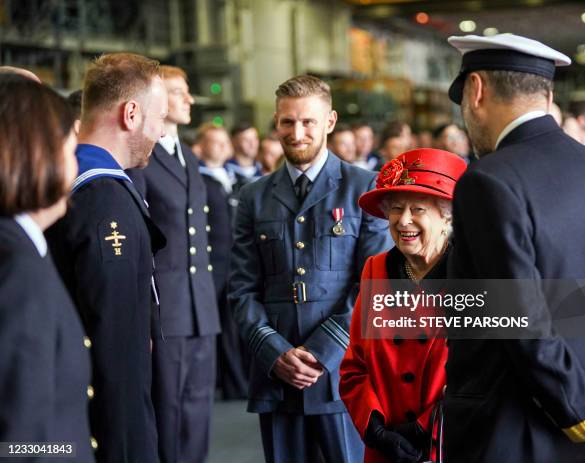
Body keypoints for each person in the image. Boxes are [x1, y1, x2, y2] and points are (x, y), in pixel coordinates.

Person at [445, 33, 585, 462]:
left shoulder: (488, 181)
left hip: (512, 431)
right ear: (547, 93)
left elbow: (520, 321)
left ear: (476, 90)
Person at [229, 75, 393, 463]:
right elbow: (241, 287)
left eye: (308, 122)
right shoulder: (253, 197)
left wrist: (321, 353)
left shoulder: (364, 188)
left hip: (342, 376)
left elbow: (375, 285)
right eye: (287, 122)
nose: (297, 132)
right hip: (277, 376)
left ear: (330, 122)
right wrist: (275, 353)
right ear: (276, 123)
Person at [46, 53, 167, 463]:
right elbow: (114, 342)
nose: (162, 132)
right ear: (131, 114)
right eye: (159, 118)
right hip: (108, 427)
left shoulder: (67, 181)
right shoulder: (103, 198)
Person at [340, 149, 467, 463]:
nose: (403, 220)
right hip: (385, 448)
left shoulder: (473, 274)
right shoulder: (375, 269)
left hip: (447, 442)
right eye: (396, 208)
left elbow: (482, 374)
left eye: (418, 209)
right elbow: (354, 366)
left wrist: (424, 428)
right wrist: (374, 428)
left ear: (447, 216)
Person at [127, 65, 220, 463]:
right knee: (168, 408)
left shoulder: (189, 158)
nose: (189, 99)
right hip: (167, 305)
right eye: (179, 92)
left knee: (199, 409)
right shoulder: (142, 158)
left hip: (200, 306)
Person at [0, 75, 94, 462]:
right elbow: (18, 441)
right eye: (72, 151)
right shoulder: (16, 268)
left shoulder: (20, 248)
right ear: (37, 155)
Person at [195, 123, 250, 400]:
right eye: (213, 142)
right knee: (215, 326)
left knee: (234, 325)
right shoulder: (198, 178)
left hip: (235, 262)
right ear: (201, 147)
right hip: (212, 264)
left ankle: (237, 382)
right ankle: (219, 381)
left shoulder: (231, 177)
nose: (219, 147)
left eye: (222, 142)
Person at [228, 122, 263, 188]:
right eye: (246, 140)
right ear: (234, 142)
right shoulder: (226, 170)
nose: (253, 144)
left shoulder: (262, 169)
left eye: (255, 139)